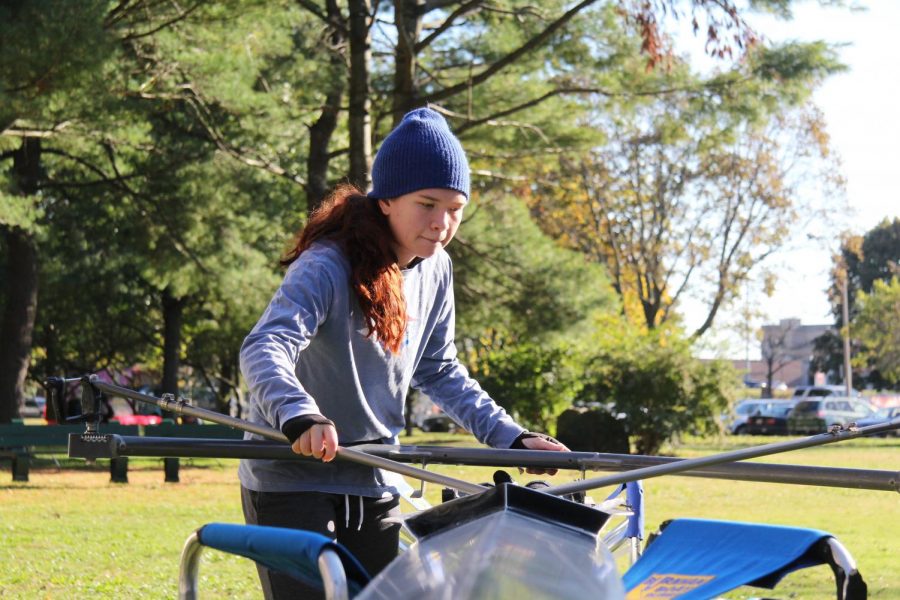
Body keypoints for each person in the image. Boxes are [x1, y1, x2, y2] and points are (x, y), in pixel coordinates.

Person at [238, 107, 569, 599]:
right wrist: (299, 413)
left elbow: (438, 369)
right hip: (293, 482)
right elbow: (266, 345)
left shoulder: (437, 270)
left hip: (375, 480)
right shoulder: (326, 264)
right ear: (387, 200)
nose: (442, 223)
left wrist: (511, 437)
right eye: (428, 204)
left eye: (455, 208)